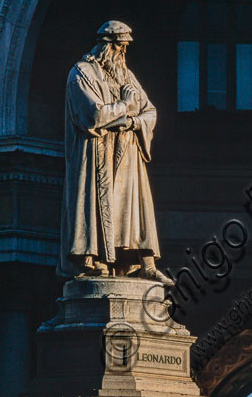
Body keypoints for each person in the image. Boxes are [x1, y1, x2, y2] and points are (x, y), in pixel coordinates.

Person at [58, 20, 173, 284]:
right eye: (120, 47)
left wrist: (132, 122)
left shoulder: (126, 75)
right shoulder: (81, 74)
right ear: (106, 46)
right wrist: (123, 106)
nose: (123, 54)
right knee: (97, 206)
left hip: (128, 155)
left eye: (125, 49)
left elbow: (150, 111)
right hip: (95, 156)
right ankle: (95, 260)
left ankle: (143, 262)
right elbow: (93, 115)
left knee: (133, 209)